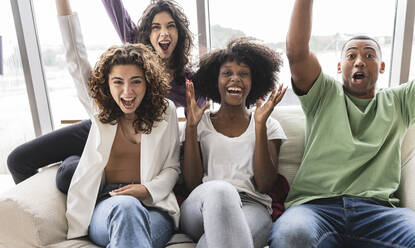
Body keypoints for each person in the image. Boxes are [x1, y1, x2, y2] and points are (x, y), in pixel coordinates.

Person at [7, 0, 204, 194]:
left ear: (180, 33)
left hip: (142, 136)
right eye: (156, 27)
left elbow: (190, 127)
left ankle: (100, 187)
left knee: (70, 174)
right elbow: (79, 58)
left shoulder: (187, 82)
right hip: (106, 125)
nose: (163, 32)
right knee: (24, 162)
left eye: (171, 26)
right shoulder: (133, 50)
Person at [268, 0, 415, 247]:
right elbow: (296, 51)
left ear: (381, 66)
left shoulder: (400, 101)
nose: (359, 61)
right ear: (339, 67)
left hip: (379, 213)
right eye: (351, 56)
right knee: (291, 236)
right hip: (315, 210)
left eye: (369, 55)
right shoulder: (323, 93)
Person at [54, 0, 180, 247]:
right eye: (118, 83)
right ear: (106, 85)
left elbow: (173, 168)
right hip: (108, 205)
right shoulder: (101, 110)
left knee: (130, 222)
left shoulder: (166, 112)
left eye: (136, 81)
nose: (127, 92)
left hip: (154, 208)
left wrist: (145, 190)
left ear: (148, 83)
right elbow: (76, 59)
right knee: (125, 209)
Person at [181, 38, 287, 248]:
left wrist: (259, 126)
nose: (235, 79)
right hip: (202, 204)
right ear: (216, 80)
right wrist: (191, 129)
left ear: (254, 81)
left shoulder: (268, 125)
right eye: (227, 73)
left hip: (251, 205)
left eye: (243, 74)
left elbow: (265, 184)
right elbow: (192, 184)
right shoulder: (200, 123)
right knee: (221, 191)